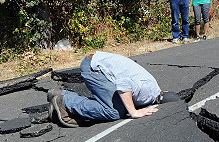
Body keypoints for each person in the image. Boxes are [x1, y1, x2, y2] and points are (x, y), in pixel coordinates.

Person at [47, 51, 180, 128]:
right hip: (94, 68)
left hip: (98, 64)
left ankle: (59, 94)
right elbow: (124, 84)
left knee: (120, 105)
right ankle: (65, 101)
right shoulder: (147, 94)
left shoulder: (154, 88)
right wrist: (134, 112)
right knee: (114, 112)